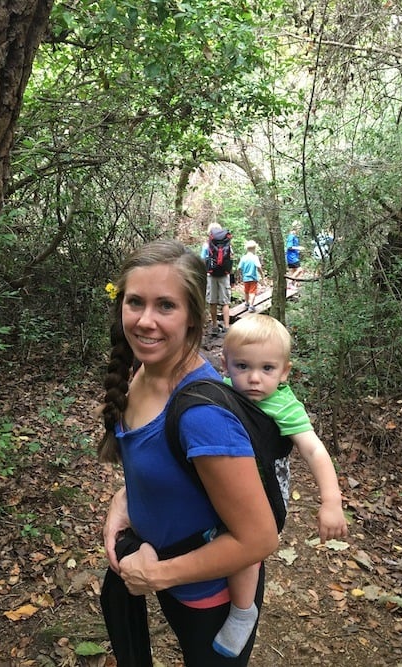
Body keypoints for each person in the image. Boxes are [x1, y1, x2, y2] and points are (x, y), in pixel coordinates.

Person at [99, 239, 279, 667]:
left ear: (195, 317)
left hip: (209, 598)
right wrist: (123, 501)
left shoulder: (201, 417)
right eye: (135, 302)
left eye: (166, 306)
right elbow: (161, 464)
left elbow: (259, 538)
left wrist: (156, 575)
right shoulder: (142, 372)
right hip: (169, 577)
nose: (145, 321)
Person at [208, 314, 347, 658]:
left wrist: (331, 501)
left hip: (265, 493)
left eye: (267, 369)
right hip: (227, 482)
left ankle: (243, 610)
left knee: (246, 548)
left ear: (284, 371)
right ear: (225, 364)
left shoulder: (283, 404)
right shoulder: (221, 390)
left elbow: (314, 450)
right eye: (242, 366)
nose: (254, 378)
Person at [201, 222, 232, 335]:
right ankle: (227, 326)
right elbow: (230, 257)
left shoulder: (206, 245)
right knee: (225, 302)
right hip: (224, 274)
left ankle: (214, 326)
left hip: (211, 275)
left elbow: (202, 260)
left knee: (212, 301)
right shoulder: (227, 244)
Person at [236, 240, 264, 312]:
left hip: (245, 278)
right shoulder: (255, 257)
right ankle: (251, 306)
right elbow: (258, 266)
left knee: (246, 291)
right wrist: (262, 274)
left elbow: (239, 268)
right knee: (252, 292)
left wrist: (238, 275)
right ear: (254, 249)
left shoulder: (243, 258)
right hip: (253, 278)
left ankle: (247, 303)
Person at [285, 221, 305, 286]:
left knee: (293, 271)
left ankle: (293, 285)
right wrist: (298, 248)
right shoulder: (291, 236)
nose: (300, 228)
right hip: (292, 257)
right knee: (300, 270)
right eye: (299, 227)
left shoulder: (294, 236)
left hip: (294, 256)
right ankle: (289, 282)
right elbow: (289, 247)